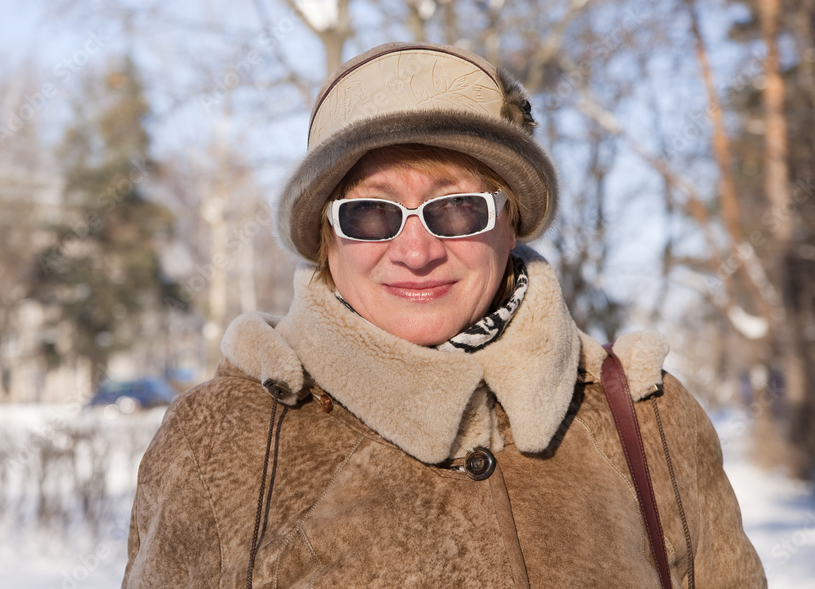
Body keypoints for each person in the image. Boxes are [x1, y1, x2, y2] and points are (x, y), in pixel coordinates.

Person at [122, 42, 766, 587]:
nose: (416, 251)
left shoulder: (647, 420)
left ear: (509, 220)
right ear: (327, 238)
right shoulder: (223, 441)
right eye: (370, 213)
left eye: (456, 208)